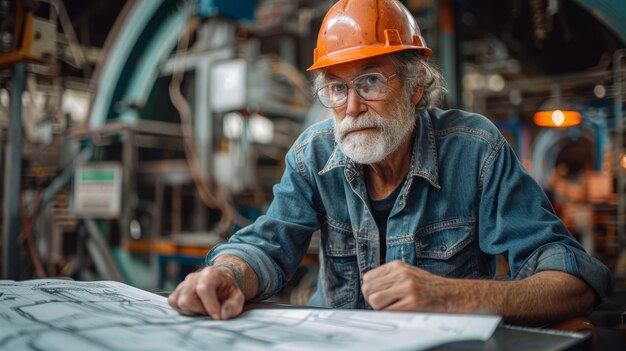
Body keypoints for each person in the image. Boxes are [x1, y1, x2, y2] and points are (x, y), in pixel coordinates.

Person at [168, 0, 611, 326]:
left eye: (372, 81)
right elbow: (267, 245)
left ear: (416, 86)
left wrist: (450, 296)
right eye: (337, 89)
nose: (353, 106)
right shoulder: (313, 154)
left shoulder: (475, 150)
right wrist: (227, 274)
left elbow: (571, 282)